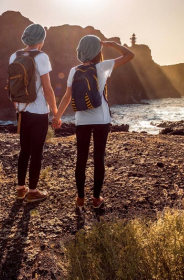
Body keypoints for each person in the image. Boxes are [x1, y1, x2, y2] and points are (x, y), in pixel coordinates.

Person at [52, 35, 134, 208]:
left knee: (81, 158)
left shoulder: (74, 70)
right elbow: (129, 55)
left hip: (81, 119)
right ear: (97, 50)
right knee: (99, 158)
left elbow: (67, 97)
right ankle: (96, 199)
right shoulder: (101, 66)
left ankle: (80, 198)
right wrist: (112, 44)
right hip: (101, 119)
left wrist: (57, 116)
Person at [9, 24, 60, 202]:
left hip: (21, 110)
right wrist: (55, 112)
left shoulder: (14, 56)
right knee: (36, 151)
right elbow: (48, 89)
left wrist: (17, 105)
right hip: (38, 111)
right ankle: (33, 191)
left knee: (24, 150)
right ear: (41, 40)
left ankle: (20, 188)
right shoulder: (42, 57)